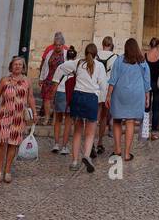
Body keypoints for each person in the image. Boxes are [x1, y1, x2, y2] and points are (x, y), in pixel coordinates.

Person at [0, 55, 34, 183]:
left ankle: (7, 171)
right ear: (11, 66)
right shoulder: (4, 80)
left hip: (19, 117)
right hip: (4, 115)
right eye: (15, 64)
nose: (17, 66)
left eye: (20, 64)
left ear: (23, 67)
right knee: (2, 142)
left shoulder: (27, 81)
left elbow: (30, 98)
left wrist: (34, 113)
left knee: (13, 143)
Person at [106, 38, 150, 162]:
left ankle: (117, 150)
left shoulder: (119, 60)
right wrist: (147, 96)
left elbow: (113, 80)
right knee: (130, 122)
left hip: (120, 93)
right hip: (136, 94)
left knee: (117, 121)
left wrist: (108, 95)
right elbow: (147, 81)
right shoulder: (142, 62)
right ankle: (126, 154)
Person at [68, 42, 107, 173]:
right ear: (96, 54)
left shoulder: (78, 63)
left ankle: (74, 161)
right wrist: (106, 98)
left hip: (77, 97)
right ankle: (86, 155)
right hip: (91, 98)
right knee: (90, 133)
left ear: (85, 53)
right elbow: (103, 85)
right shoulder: (100, 66)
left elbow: (62, 67)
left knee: (77, 131)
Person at [48, 45, 77, 154]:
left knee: (58, 120)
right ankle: (64, 147)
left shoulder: (61, 66)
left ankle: (56, 144)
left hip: (60, 93)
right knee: (68, 122)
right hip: (71, 94)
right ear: (75, 57)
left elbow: (55, 84)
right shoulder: (77, 67)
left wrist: (52, 99)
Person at [94, 36, 119, 157]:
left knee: (95, 116)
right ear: (112, 45)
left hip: (95, 87)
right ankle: (99, 142)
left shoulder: (95, 54)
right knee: (104, 116)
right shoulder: (115, 57)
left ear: (102, 43)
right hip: (107, 88)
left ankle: (91, 143)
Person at [38, 31, 67, 124]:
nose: (57, 47)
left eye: (59, 45)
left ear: (62, 45)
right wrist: (41, 78)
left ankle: (55, 119)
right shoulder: (50, 52)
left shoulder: (66, 53)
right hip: (49, 78)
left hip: (60, 80)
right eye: (56, 45)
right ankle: (47, 117)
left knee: (56, 99)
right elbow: (44, 65)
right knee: (46, 98)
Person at [145, 37, 159, 139]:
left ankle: (145, 131)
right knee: (156, 108)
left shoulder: (145, 55)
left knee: (146, 108)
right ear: (158, 45)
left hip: (147, 85)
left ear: (150, 45)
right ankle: (153, 132)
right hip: (158, 85)